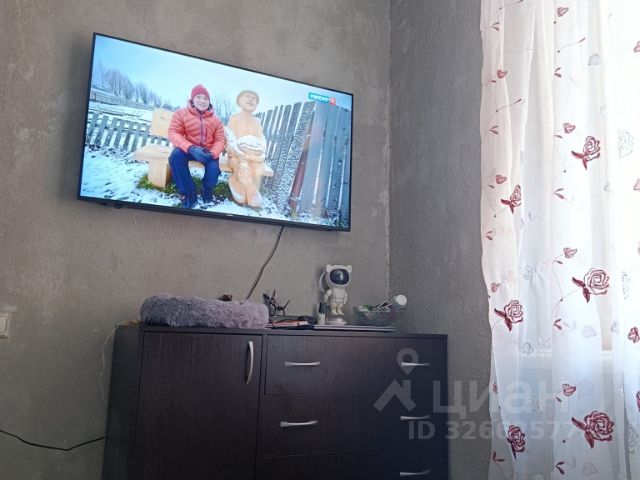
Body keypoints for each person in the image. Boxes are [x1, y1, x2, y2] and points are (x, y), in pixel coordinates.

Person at [167, 84, 225, 208]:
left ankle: (206, 190)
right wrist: (191, 148)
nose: (202, 101)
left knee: (213, 172)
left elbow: (220, 140)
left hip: (208, 152)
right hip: (189, 149)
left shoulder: (216, 120)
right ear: (192, 99)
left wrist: (213, 154)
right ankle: (189, 194)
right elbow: (173, 132)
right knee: (175, 157)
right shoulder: (181, 113)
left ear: (209, 101)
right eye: (198, 97)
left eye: (205, 98)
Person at [225, 90, 268, 207]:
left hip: (253, 156)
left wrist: (261, 151)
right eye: (247, 96)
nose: (251, 99)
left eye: (254, 98)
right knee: (242, 165)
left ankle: (239, 184)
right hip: (237, 155)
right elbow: (230, 136)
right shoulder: (234, 118)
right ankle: (250, 190)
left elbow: (261, 139)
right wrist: (237, 150)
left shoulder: (257, 121)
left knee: (257, 168)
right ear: (239, 101)